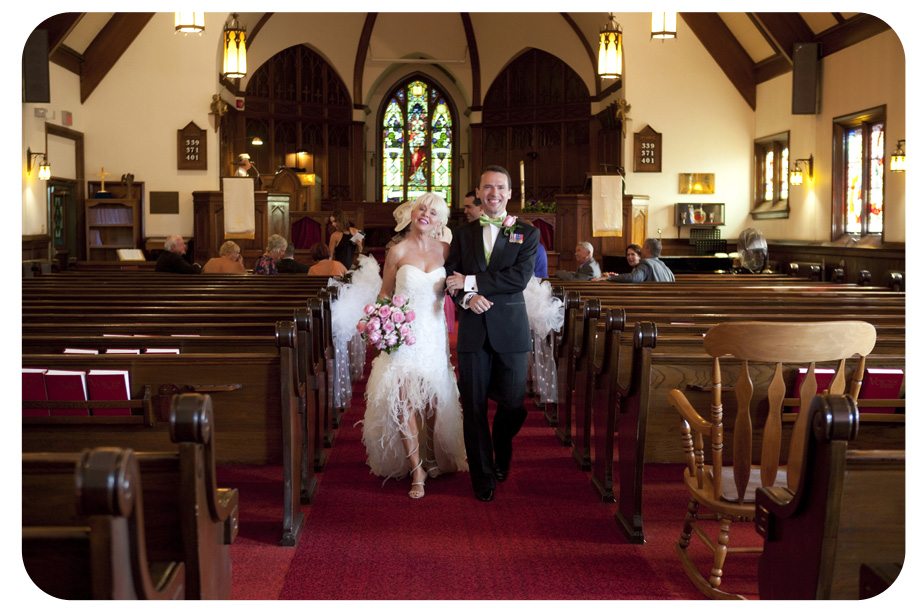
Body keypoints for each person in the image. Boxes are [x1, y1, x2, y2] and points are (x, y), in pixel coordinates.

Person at [361, 192, 467, 499]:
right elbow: (384, 293)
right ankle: (416, 466)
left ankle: (432, 455)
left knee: (433, 402)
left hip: (433, 335)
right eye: (422, 208)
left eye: (433, 213)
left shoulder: (446, 250)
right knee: (404, 400)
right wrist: (380, 323)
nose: (426, 215)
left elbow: (458, 284)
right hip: (404, 335)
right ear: (412, 212)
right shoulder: (397, 251)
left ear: (440, 222)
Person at [445, 165, 539, 502]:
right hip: (472, 331)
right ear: (478, 193)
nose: (494, 193)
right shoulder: (462, 233)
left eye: (500, 187)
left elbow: (518, 278)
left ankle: (503, 447)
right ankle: (482, 475)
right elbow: (449, 278)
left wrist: (470, 282)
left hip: (510, 330)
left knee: (513, 403)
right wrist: (468, 297)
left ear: (510, 193)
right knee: (473, 406)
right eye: (488, 187)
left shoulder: (527, 233)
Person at [603, 238, 675, 283]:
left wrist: (609, 277)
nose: (641, 249)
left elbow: (634, 278)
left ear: (648, 250)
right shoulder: (664, 266)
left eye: (643, 247)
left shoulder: (646, 263)